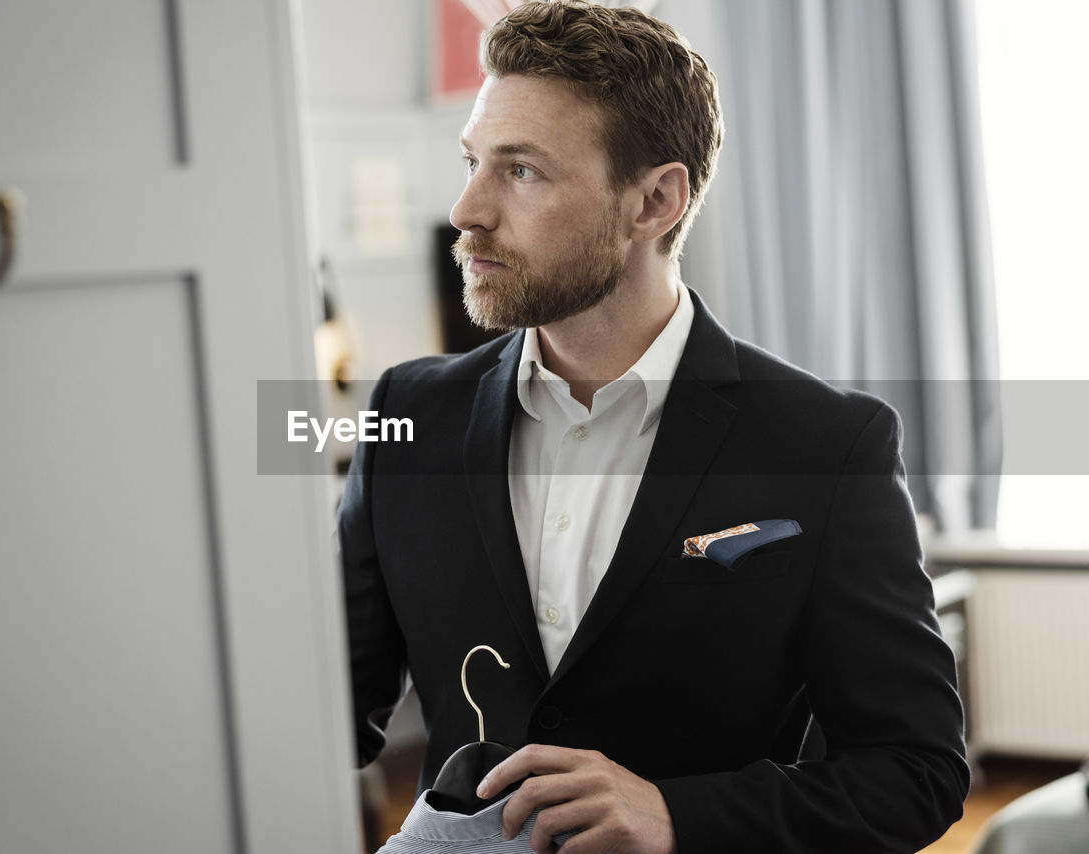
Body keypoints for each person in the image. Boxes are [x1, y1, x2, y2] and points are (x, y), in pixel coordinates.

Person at [337, 2, 969, 852]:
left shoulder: (830, 446)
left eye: (520, 171)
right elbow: (329, 711)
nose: (467, 209)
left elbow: (915, 772)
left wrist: (679, 816)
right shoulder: (405, 416)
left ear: (655, 201)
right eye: (473, 162)